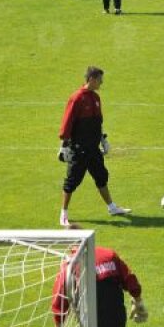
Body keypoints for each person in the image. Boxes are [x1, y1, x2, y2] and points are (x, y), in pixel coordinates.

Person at [58, 66, 131, 227]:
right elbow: (67, 122)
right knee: (72, 181)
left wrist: (103, 140)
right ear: (91, 79)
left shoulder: (96, 98)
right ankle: (63, 213)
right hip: (79, 149)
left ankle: (112, 207)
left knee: (101, 177)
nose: (101, 83)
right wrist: (64, 146)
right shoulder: (76, 98)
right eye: (99, 79)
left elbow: (97, 122)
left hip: (93, 148)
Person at [52, 244, 147, 327]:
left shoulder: (71, 264)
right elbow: (129, 278)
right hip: (116, 320)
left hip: (92, 325)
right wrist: (138, 300)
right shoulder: (110, 255)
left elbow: (59, 300)